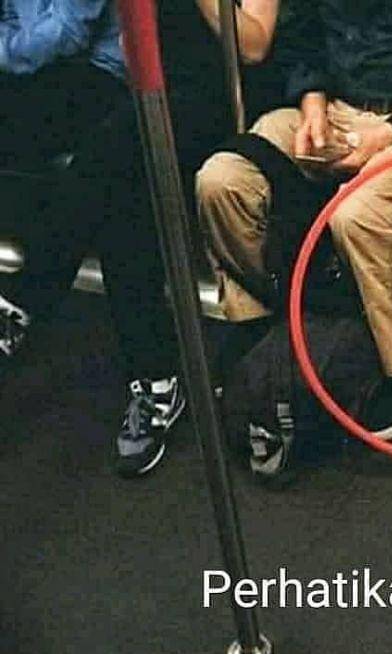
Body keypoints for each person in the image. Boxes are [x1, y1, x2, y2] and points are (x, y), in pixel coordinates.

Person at [0, 0, 279, 478]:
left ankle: (23, 301)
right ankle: (156, 377)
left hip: (220, 94)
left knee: (110, 156)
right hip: (144, 92)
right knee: (123, 199)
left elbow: (254, 46)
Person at [196, 0, 392, 441]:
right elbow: (304, 42)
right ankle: (258, 322)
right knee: (222, 180)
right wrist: (313, 109)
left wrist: (389, 131)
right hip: (335, 107)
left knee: (357, 213)